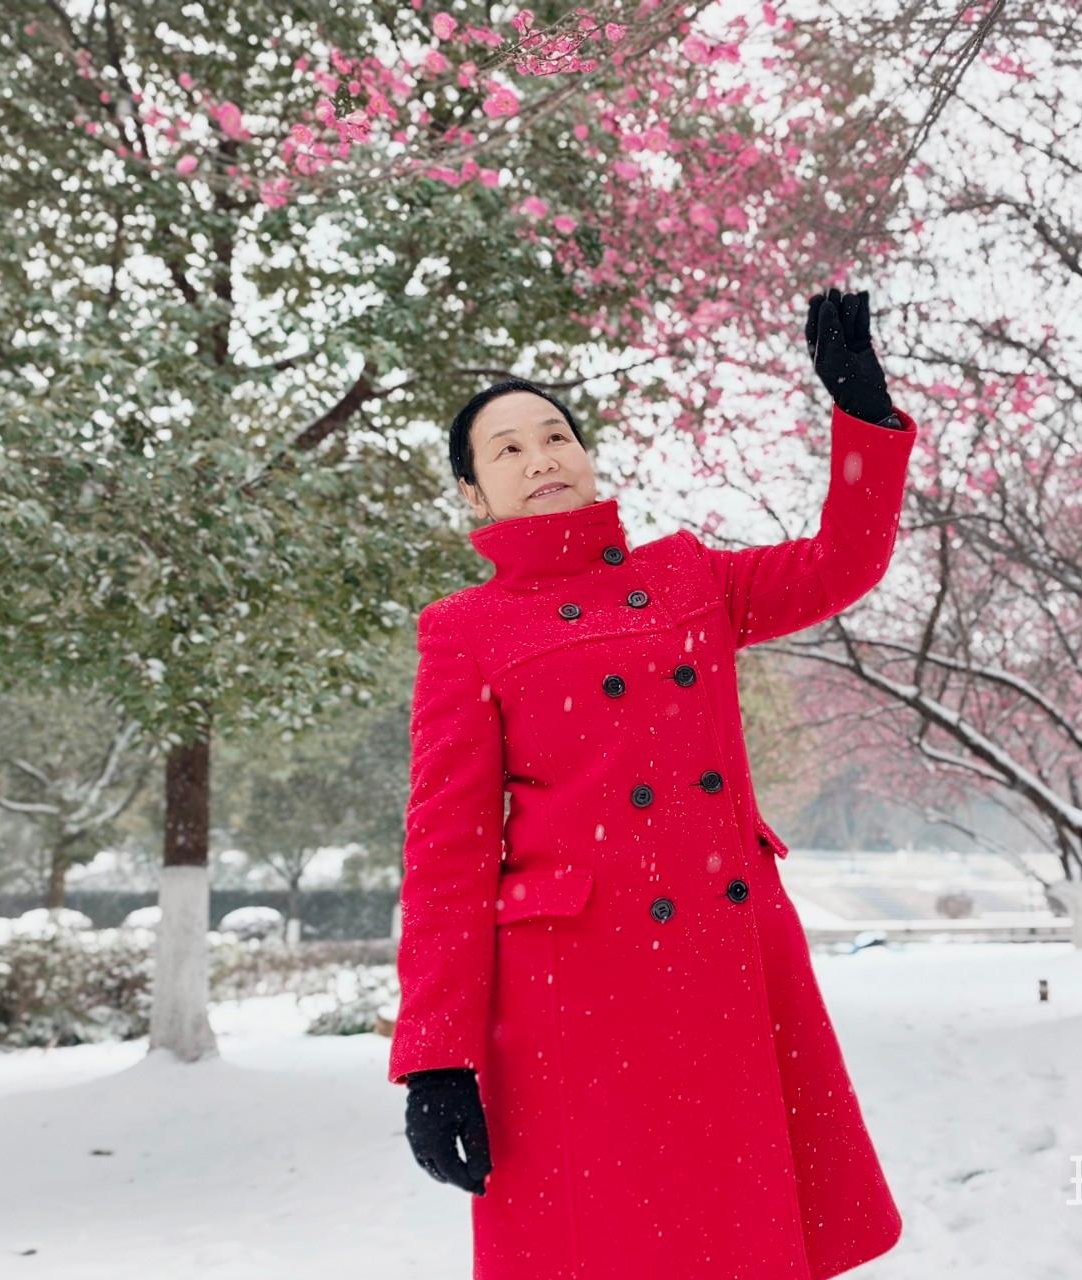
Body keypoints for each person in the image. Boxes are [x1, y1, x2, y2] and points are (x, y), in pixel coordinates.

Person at [392, 289, 918, 1280]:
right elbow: (446, 851)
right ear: (472, 494)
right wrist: (435, 1052)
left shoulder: (686, 578)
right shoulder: (463, 629)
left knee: (740, 1226)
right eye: (505, 449)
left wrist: (860, 417)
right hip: (574, 993)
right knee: (611, 1241)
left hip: (724, 954)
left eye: (555, 434)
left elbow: (841, 563)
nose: (540, 455)